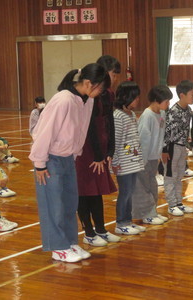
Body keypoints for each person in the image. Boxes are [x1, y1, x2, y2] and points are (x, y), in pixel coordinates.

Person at [29, 63, 110, 262]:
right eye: (99, 88)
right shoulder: (63, 100)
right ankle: (58, 247)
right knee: (54, 205)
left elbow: (80, 131)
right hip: (50, 159)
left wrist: (75, 153)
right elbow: (43, 131)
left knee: (69, 204)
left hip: (68, 158)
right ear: (89, 83)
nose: (100, 93)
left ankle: (70, 242)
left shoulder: (86, 101)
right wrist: (40, 162)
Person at [75, 55, 120, 247]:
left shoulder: (107, 94)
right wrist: (98, 154)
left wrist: (109, 149)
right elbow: (89, 127)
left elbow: (109, 121)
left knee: (97, 191)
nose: (115, 78)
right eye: (113, 73)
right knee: (84, 190)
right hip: (85, 149)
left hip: (100, 147)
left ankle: (100, 229)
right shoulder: (86, 96)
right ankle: (89, 232)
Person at [132, 85, 172, 225]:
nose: (168, 104)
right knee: (143, 188)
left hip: (154, 157)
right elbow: (143, 139)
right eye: (166, 101)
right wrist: (142, 161)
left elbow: (161, 136)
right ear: (156, 100)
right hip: (145, 158)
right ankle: (146, 214)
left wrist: (160, 154)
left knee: (152, 186)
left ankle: (152, 212)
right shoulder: (147, 115)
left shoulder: (162, 114)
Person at [112, 81, 146, 235]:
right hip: (124, 164)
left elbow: (130, 139)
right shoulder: (118, 116)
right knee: (125, 192)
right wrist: (116, 162)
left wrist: (135, 151)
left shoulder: (131, 115)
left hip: (134, 162)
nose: (137, 100)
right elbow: (117, 141)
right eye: (135, 98)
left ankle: (128, 220)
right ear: (127, 97)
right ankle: (121, 222)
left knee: (130, 191)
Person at [162, 80, 193, 216]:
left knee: (179, 176)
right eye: (192, 95)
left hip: (182, 147)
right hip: (171, 147)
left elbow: (186, 130)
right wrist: (164, 150)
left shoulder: (188, 110)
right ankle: (171, 204)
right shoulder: (172, 112)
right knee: (170, 176)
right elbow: (166, 132)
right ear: (182, 95)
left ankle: (179, 203)